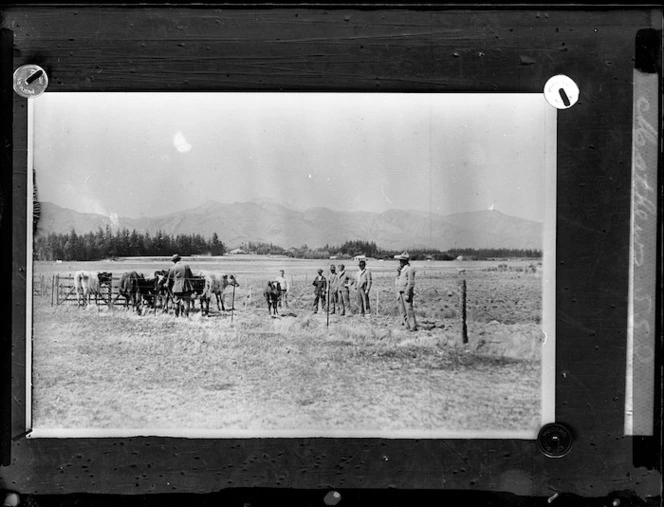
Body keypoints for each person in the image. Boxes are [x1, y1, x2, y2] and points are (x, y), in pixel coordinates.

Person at [395, 251, 418, 331]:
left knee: (409, 309)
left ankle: (413, 326)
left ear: (405, 261)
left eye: (401, 260)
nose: (400, 262)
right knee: (402, 310)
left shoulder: (409, 269)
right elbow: (398, 280)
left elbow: (411, 282)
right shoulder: (401, 270)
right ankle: (406, 325)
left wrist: (407, 293)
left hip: (406, 292)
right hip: (401, 291)